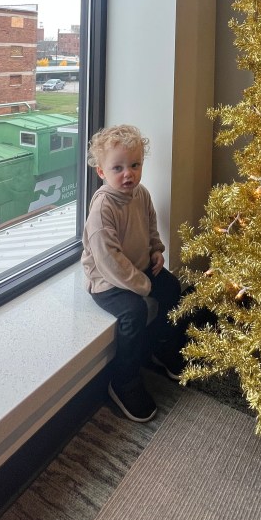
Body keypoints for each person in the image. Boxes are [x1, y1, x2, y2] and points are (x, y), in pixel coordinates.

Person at [82, 124, 185, 423]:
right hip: (107, 280)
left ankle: (161, 346)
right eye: (118, 168)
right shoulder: (103, 209)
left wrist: (156, 250)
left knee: (172, 288)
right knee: (134, 313)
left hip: (138, 267)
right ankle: (123, 380)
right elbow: (109, 261)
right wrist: (143, 284)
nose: (128, 174)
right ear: (101, 172)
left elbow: (151, 225)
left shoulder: (141, 194)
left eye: (135, 165)